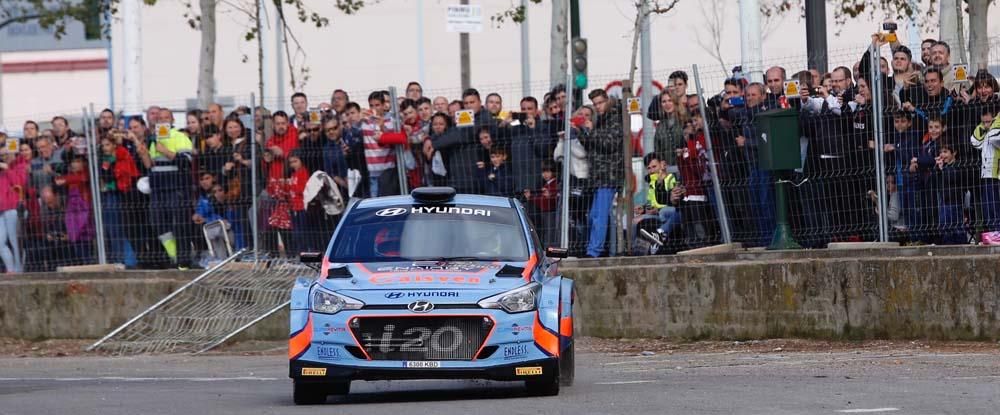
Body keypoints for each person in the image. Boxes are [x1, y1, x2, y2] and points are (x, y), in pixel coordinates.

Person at [580, 89, 623, 258]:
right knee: (594, 216)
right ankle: (602, 248)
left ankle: (594, 252)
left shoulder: (614, 118)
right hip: (599, 175)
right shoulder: (602, 119)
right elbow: (592, 145)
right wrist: (581, 131)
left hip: (609, 174)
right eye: (595, 104)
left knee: (599, 216)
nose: (598, 107)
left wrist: (592, 131)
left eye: (600, 103)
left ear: (606, 100)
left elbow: (610, 144)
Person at [98, 133, 140, 268]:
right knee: (111, 229)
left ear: (114, 145)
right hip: (109, 195)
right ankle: (118, 259)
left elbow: (125, 178)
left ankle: (127, 260)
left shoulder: (122, 156)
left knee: (119, 229)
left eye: (108, 145)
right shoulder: (105, 160)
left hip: (121, 196)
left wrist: (111, 185)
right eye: (103, 145)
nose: (105, 148)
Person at [638, 153, 679, 248]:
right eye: (649, 168)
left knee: (663, 213)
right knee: (637, 220)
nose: (652, 171)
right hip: (657, 212)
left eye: (654, 166)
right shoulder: (652, 182)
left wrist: (657, 210)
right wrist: (644, 209)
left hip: (667, 211)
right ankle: (640, 249)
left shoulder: (671, 178)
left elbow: (673, 201)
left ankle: (660, 237)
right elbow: (652, 202)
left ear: (662, 164)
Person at [971, 107, 1000, 232]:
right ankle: (993, 232)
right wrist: (982, 126)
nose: (986, 125)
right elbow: (975, 141)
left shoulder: (995, 131)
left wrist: (997, 120)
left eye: (989, 122)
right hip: (986, 174)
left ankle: (997, 231)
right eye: (984, 122)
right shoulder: (988, 131)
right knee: (988, 207)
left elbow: (994, 138)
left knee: (995, 206)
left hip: (996, 174)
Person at [0, 144, 27, 273]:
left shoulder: (20, 166)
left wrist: (7, 169)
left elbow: (19, 183)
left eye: (7, 154)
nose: (5, 157)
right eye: (2, 155)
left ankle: (19, 270)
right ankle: (11, 269)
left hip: (13, 208)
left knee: (15, 241)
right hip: (1, 209)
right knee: (0, 242)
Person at [934, 144, 966, 244]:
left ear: (954, 153)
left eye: (945, 152)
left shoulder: (958, 166)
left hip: (955, 203)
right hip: (944, 201)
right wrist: (939, 169)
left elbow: (952, 178)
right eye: (941, 152)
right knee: (945, 227)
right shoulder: (944, 167)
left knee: (956, 229)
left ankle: (961, 247)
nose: (942, 155)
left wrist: (942, 169)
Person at [524, 160, 559, 248]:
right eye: (543, 171)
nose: (545, 174)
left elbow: (548, 201)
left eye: (548, 171)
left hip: (551, 212)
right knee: (547, 233)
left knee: (550, 234)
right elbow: (542, 200)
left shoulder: (554, 184)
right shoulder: (547, 185)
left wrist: (549, 196)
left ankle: (550, 251)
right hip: (546, 212)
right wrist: (531, 197)